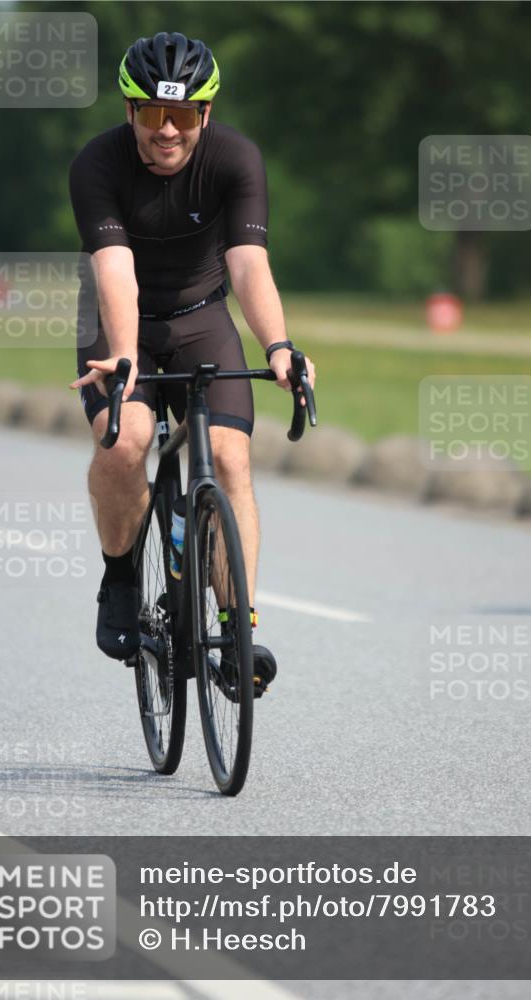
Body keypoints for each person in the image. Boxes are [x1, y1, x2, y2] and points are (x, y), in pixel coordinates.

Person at [69, 31, 315, 694]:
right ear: (130, 112)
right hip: (118, 323)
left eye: (182, 115)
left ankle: (236, 631)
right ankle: (120, 580)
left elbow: (248, 264)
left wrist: (279, 347)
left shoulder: (235, 159)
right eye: (152, 113)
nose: (167, 130)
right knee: (127, 444)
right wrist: (123, 354)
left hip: (203, 317)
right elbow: (115, 270)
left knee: (231, 461)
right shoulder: (98, 165)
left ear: (206, 113)